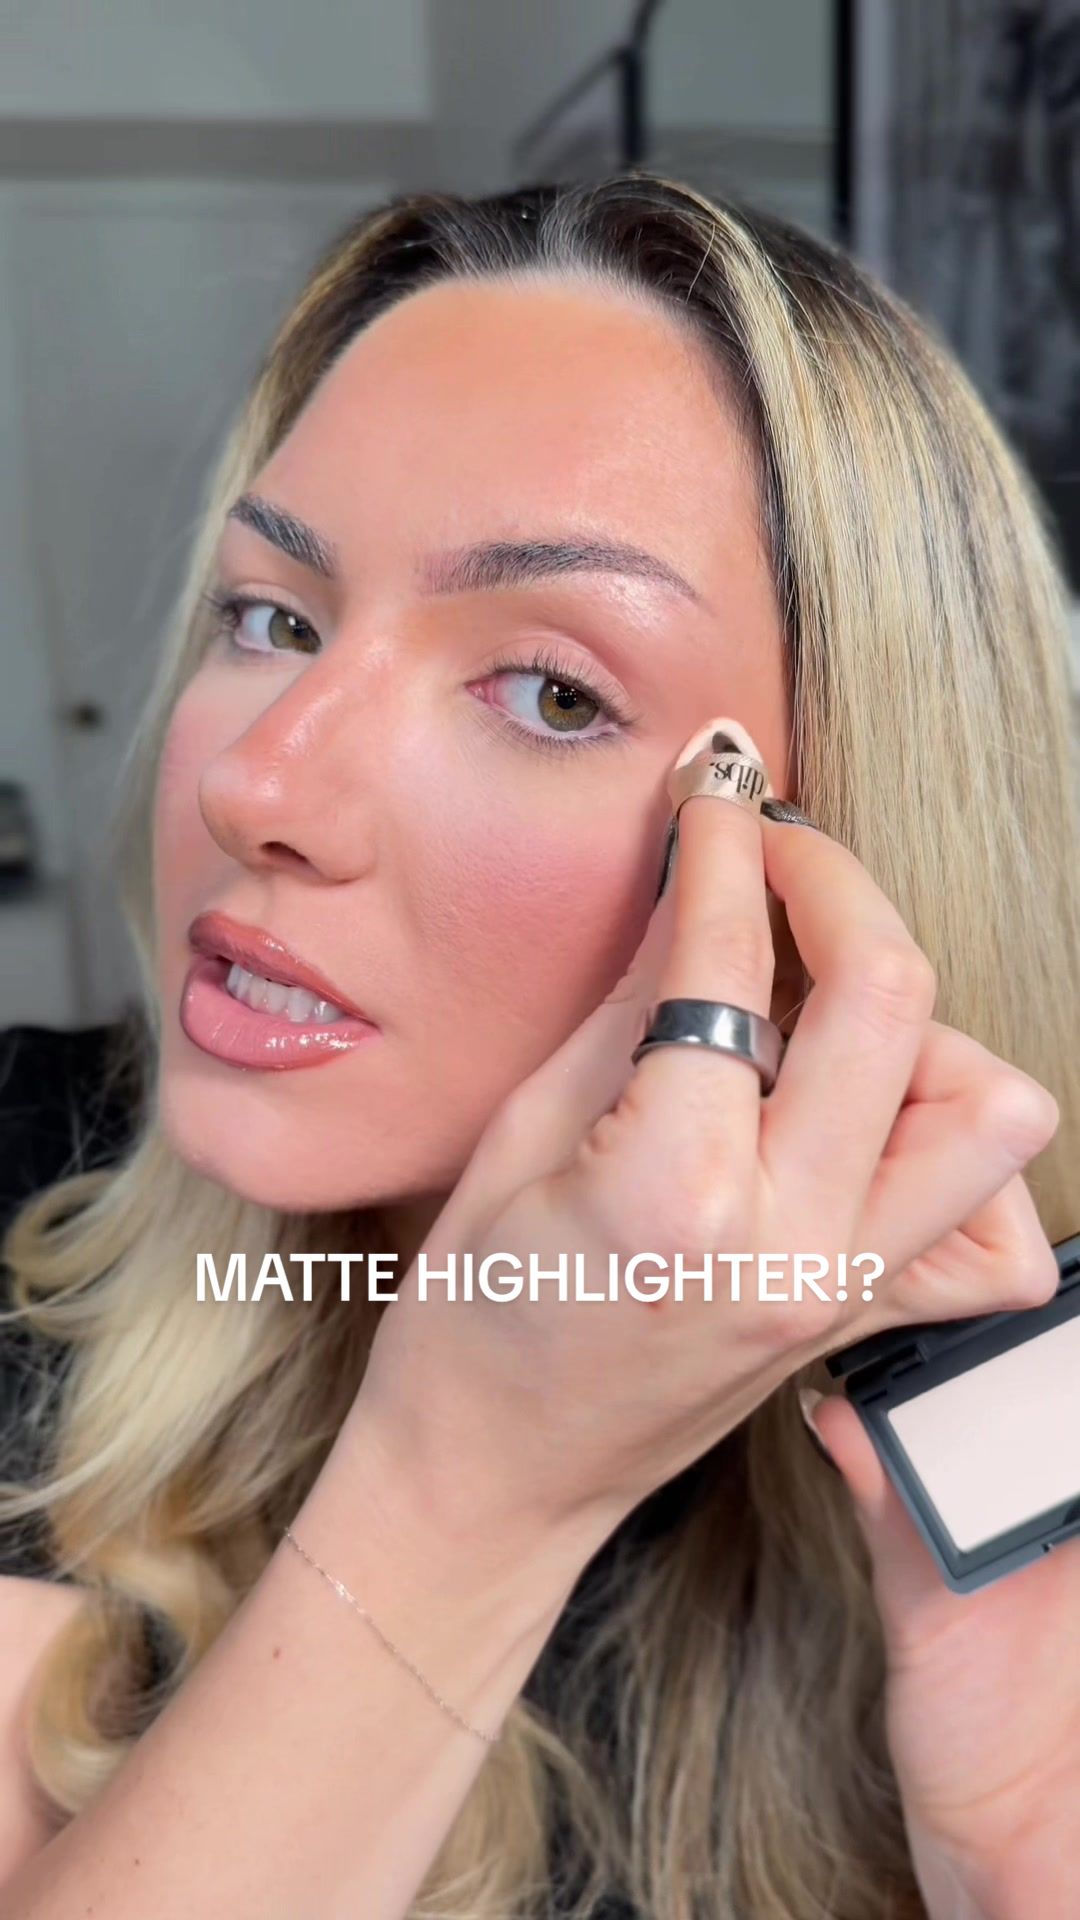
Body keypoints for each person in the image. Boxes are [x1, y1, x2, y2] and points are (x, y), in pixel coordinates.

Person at [0, 172, 1076, 1920]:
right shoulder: (23, 1196)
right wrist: (468, 1486)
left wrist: (1020, 1852)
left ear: (832, 881)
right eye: (272, 618)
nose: (256, 783)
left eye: (553, 693)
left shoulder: (1022, 1422)